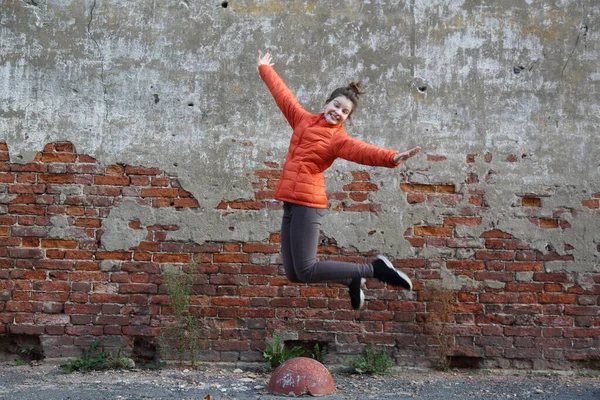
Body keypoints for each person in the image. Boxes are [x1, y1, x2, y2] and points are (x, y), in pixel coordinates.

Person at [257, 51, 421, 310]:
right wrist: (264, 68)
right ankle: (350, 278)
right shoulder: (302, 120)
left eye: (345, 112)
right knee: (294, 274)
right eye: (336, 106)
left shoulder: (337, 140)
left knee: (307, 268)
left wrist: (392, 157)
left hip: (308, 204)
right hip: (291, 202)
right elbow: (283, 96)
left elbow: (362, 151)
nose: (338, 112)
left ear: (347, 118)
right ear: (326, 103)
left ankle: (374, 270)